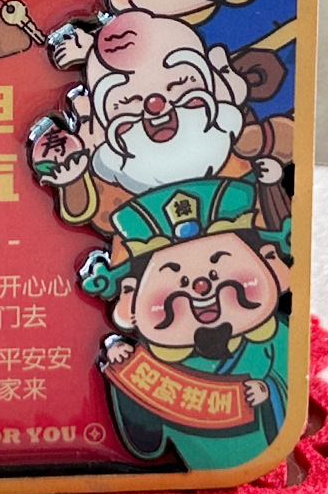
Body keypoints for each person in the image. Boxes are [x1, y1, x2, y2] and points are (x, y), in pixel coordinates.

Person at [79, 176, 292, 471]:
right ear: (130, 301)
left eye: (217, 269)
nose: (201, 288)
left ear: (272, 265)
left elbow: (290, 387)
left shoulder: (275, 340)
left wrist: (268, 394)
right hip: (183, 465)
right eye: (177, 278)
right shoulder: (153, 360)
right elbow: (147, 442)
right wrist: (123, 372)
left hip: (260, 456)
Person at [28, 9, 291, 231]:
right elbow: (84, 211)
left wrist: (272, 177)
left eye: (177, 84)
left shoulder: (237, 141)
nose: (156, 107)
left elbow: (289, 139)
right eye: (128, 101)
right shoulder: (118, 178)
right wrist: (71, 178)